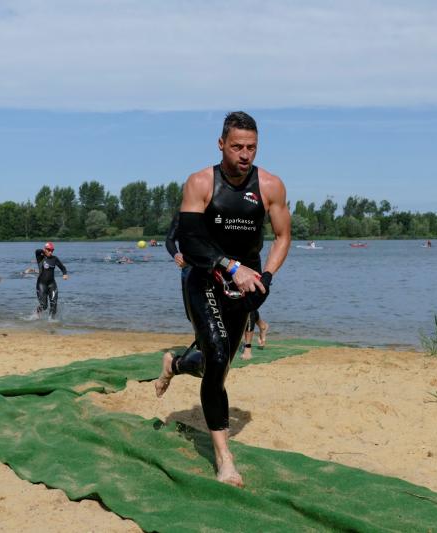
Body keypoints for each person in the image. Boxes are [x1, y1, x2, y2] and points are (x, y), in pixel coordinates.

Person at [154, 111, 291, 487]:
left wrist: (266, 276)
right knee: (215, 356)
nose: (245, 154)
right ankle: (224, 459)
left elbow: (282, 237)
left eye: (251, 147)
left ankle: (175, 364)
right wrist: (231, 266)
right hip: (203, 277)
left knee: (217, 367)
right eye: (237, 147)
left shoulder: (270, 185)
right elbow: (190, 240)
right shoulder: (200, 182)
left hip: (245, 286)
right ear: (221, 144)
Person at [34, 242, 68, 319]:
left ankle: (51, 321)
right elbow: (37, 251)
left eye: (52, 250)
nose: (50, 252)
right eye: (49, 250)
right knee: (44, 306)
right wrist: (43, 252)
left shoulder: (54, 259)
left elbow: (62, 267)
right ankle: (37, 314)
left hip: (52, 284)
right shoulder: (40, 258)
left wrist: (65, 274)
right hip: (41, 284)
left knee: (54, 304)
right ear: (45, 249)